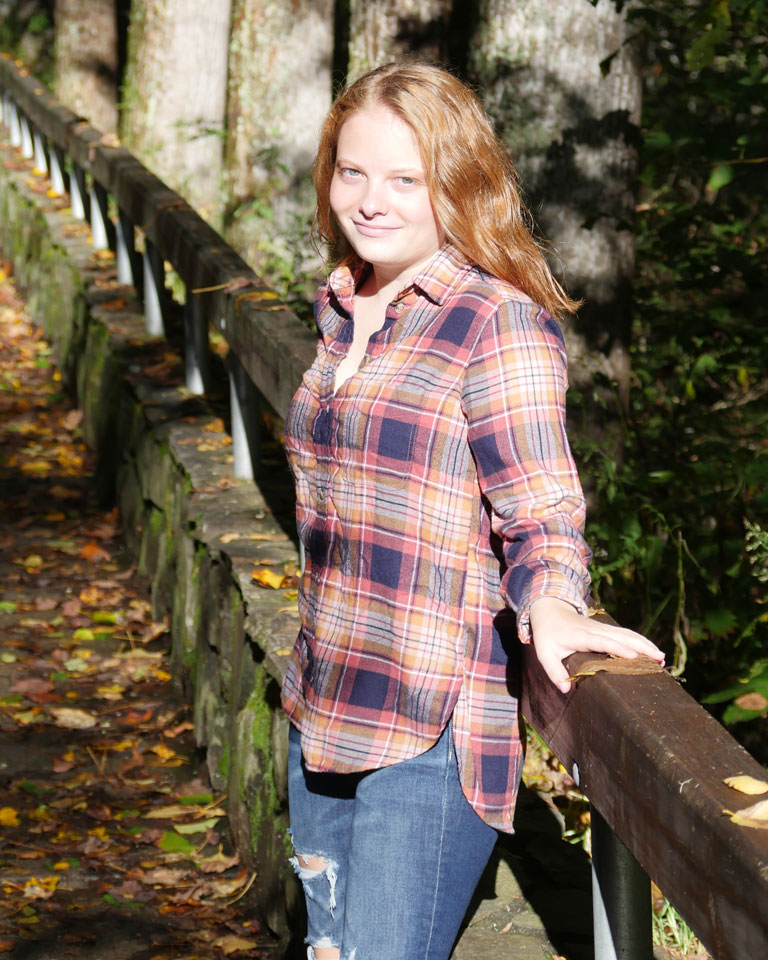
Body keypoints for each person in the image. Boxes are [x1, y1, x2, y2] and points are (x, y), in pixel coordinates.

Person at [281, 62, 664, 960]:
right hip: (324, 704)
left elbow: (540, 507)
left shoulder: (497, 324)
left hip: (430, 735)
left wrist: (555, 604)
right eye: (352, 171)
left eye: (405, 179)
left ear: (458, 183)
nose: (371, 201)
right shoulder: (345, 304)